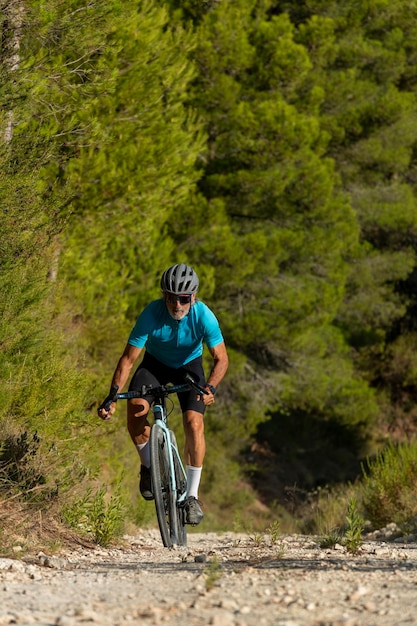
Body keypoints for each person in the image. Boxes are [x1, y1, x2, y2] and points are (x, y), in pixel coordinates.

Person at [98, 263, 229, 526]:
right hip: (154, 365)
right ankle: (148, 466)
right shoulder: (151, 314)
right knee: (136, 408)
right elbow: (127, 360)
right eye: (171, 297)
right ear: (164, 296)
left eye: (183, 298)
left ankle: (192, 496)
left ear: (193, 297)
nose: (177, 304)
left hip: (189, 368)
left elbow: (221, 359)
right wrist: (112, 395)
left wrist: (210, 387)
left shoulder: (204, 316)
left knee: (194, 422)